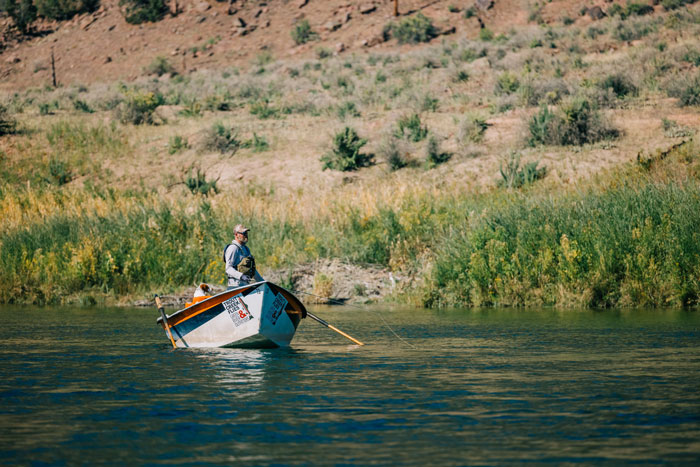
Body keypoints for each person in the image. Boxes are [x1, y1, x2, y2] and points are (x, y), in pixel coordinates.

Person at [223, 224, 264, 290]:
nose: (246, 235)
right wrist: (241, 276)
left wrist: (263, 283)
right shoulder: (233, 248)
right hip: (234, 287)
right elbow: (228, 269)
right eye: (243, 233)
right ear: (236, 234)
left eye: (246, 233)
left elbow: (253, 271)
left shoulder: (246, 249)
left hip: (245, 287)